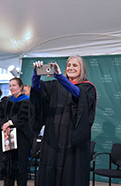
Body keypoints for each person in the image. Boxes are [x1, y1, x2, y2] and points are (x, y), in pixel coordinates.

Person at [30, 55, 97, 186]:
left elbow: (77, 94)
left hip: (72, 141)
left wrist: (59, 77)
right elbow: (37, 90)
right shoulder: (55, 85)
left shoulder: (88, 88)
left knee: (69, 176)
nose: (71, 68)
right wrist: (36, 74)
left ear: (81, 69)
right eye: (69, 65)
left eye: (75, 65)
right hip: (53, 139)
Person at [0, 77, 33, 186]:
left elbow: (24, 117)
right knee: (8, 165)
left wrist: (10, 123)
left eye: (14, 85)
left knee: (21, 165)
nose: (11, 88)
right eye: (10, 85)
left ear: (20, 87)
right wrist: (3, 125)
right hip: (8, 136)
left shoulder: (27, 101)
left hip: (22, 137)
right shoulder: (6, 101)